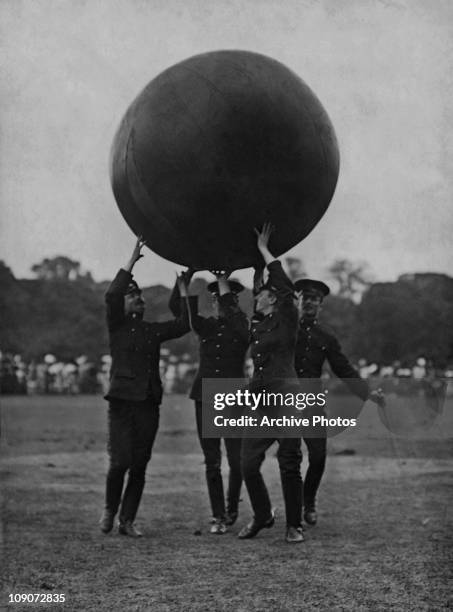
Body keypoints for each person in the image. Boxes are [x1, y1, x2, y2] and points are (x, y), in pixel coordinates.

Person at [100, 237, 190, 537]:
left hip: (149, 403)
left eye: (138, 295)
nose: (137, 298)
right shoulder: (117, 326)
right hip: (123, 402)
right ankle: (110, 510)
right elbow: (112, 295)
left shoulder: (152, 331)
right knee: (120, 462)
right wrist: (131, 262)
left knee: (139, 464)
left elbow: (183, 324)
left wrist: (184, 288)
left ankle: (127, 520)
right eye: (132, 295)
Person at [294, 278, 384, 526]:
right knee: (286, 459)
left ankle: (308, 501)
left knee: (318, 457)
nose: (309, 302)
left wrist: (367, 393)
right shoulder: (285, 329)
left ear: (320, 305)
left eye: (315, 299)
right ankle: (283, 510)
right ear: (297, 300)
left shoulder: (326, 337)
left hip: (311, 402)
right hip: (283, 401)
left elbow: (343, 369)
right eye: (305, 297)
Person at [238, 223, 304, 544]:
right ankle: (263, 515)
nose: (258, 294)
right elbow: (254, 294)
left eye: (262, 292)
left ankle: (294, 525)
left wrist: (265, 252)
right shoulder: (258, 324)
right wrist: (224, 282)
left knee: (289, 463)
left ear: (273, 300)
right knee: (247, 463)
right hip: (262, 402)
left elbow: (286, 289)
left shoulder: (287, 318)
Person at [169, 269, 249, 534]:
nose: (223, 302)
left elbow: (235, 318)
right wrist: (184, 283)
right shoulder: (208, 326)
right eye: (217, 298)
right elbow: (181, 313)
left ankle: (232, 508)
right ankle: (218, 515)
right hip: (206, 395)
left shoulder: (242, 325)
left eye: (228, 299)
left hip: (233, 397)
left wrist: (223, 281)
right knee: (212, 460)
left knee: (236, 460)